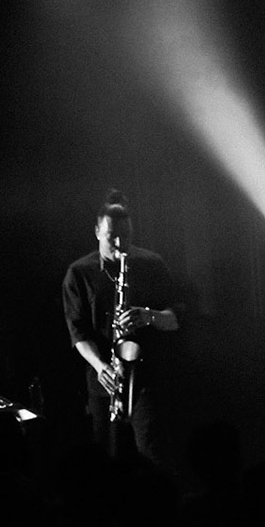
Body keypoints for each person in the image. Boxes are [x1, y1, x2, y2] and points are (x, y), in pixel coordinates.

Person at [62, 195, 186, 467]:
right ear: (97, 232)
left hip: (148, 377)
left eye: (126, 236)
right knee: (107, 459)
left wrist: (148, 316)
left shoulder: (152, 264)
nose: (120, 244)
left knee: (152, 456)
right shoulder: (79, 273)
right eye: (112, 237)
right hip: (105, 379)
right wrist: (101, 366)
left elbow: (177, 319)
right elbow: (78, 332)